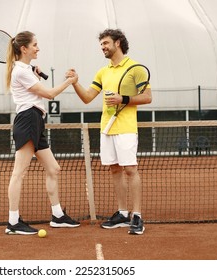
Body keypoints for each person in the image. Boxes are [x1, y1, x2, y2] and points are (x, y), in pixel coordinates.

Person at [66, 29, 152, 235]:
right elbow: (87, 97)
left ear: (118, 43)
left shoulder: (135, 68)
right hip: (107, 128)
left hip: (126, 128)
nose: (103, 47)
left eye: (106, 43)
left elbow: (148, 97)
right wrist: (75, 82)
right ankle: (122, 213)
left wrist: (123, 99)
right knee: (114, 170)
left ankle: (137, 216)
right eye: (101, 45)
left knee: (130, 170)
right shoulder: (102, 72)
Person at [5, 31, 80, 235]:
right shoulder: (21, 70)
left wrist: (36, 75)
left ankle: (57, 216)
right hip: (28, 119)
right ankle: (13, 222)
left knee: (54, 169)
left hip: (36, 120)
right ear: (24, 48)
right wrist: (70, 81)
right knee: (19, 172)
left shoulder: (25, 69)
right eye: (35, 45)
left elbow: (37, 91)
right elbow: (49, 94)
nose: (38, 48)